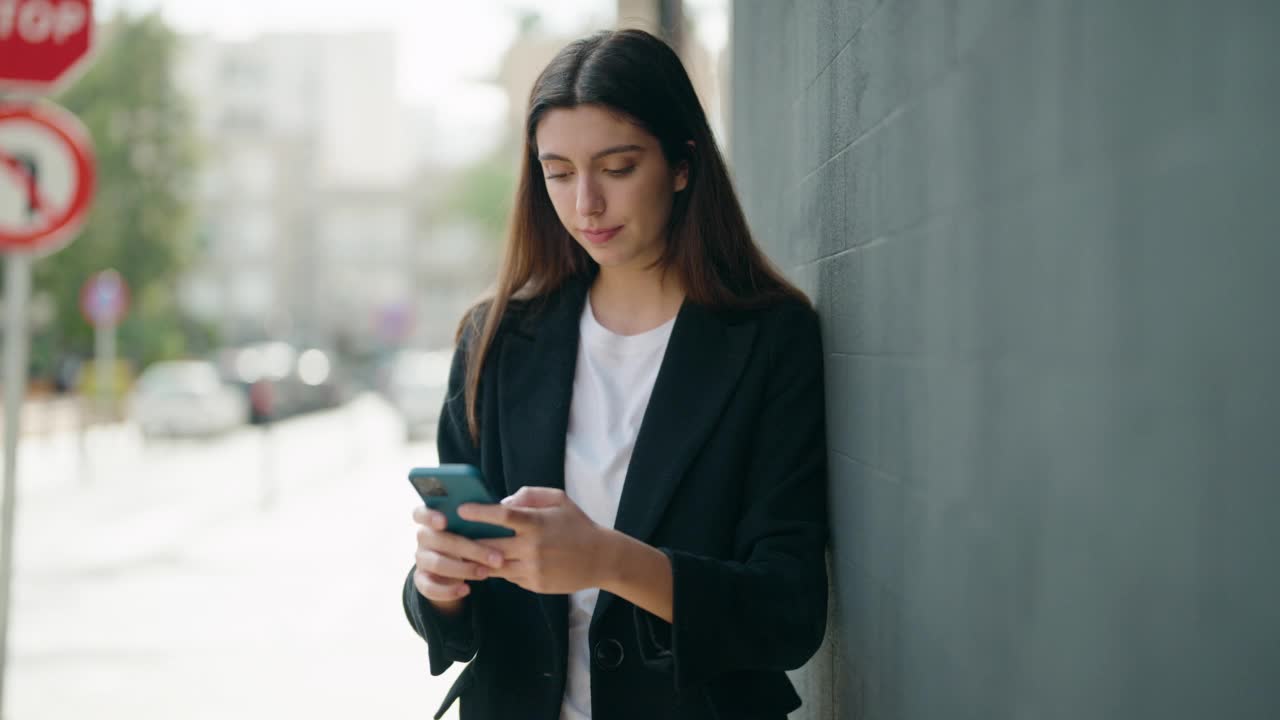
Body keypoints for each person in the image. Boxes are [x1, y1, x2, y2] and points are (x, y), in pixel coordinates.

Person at [402, 28, 829, 720]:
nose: (585, 205)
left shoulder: (770, 340)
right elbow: (456, 609)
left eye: (618, 168)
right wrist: (438, 586)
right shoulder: (498, 340)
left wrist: (608, 561)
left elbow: (788, 613)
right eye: (559, 172)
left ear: (683, 164)